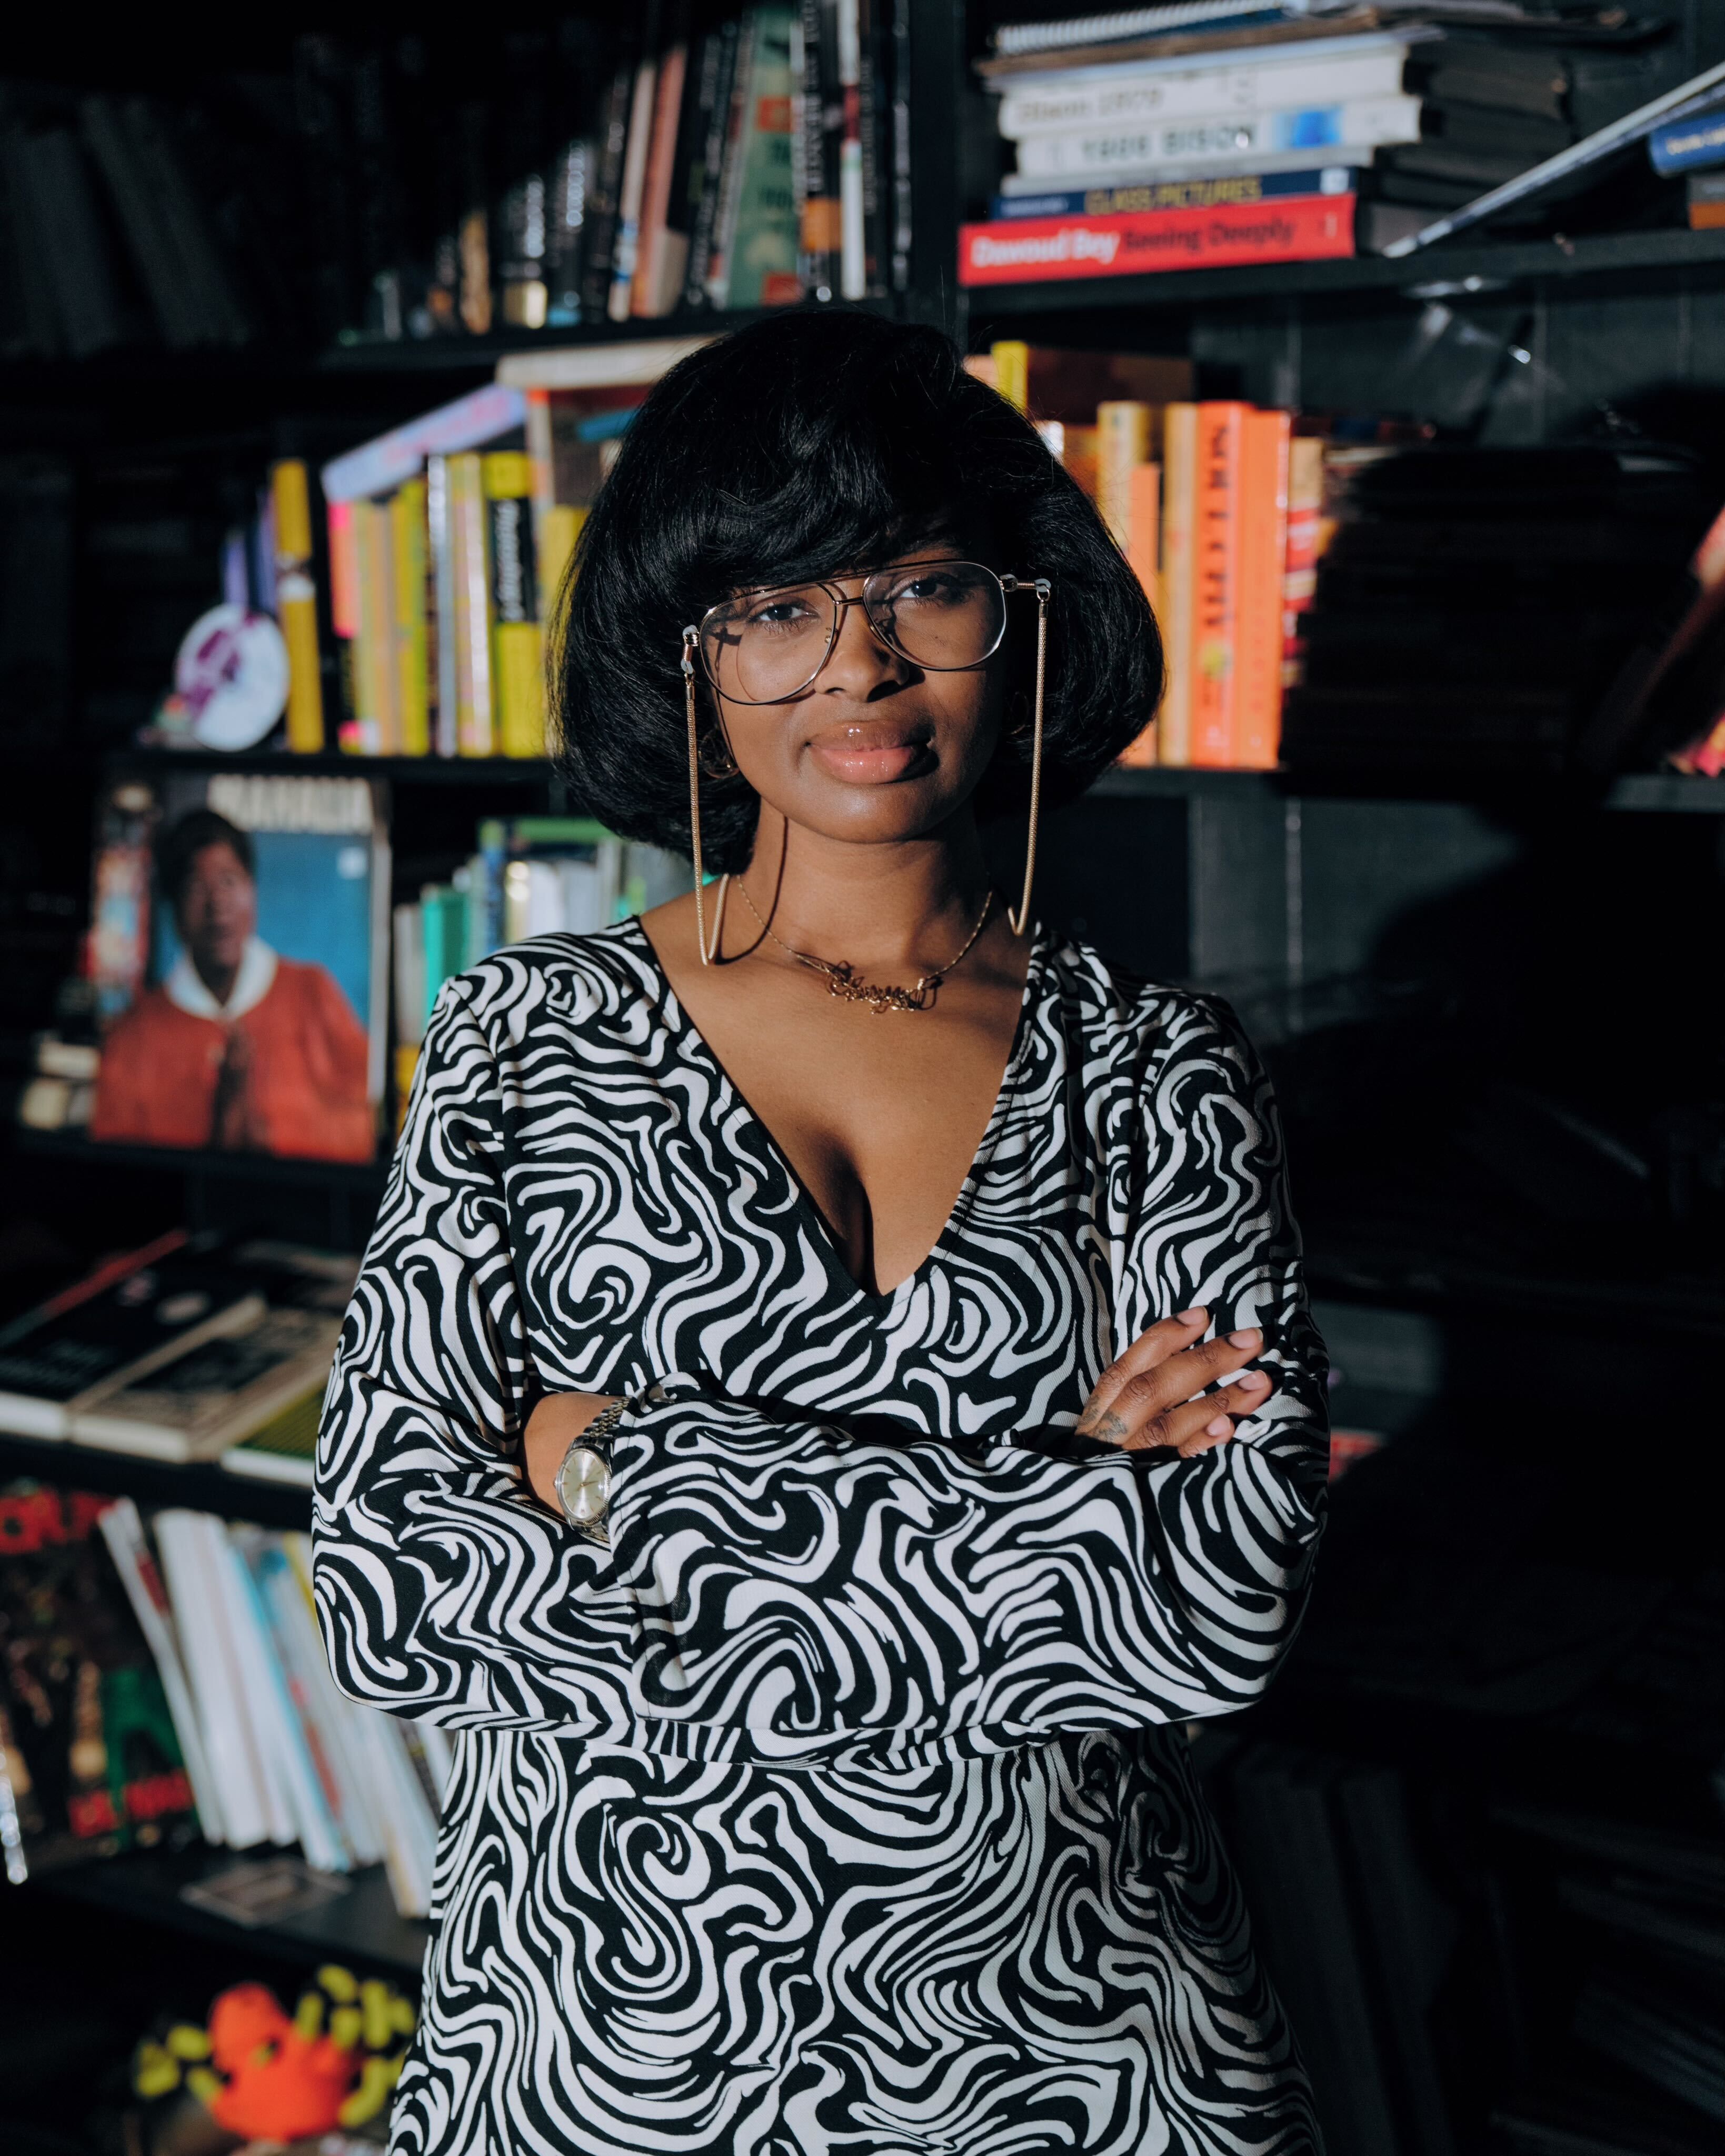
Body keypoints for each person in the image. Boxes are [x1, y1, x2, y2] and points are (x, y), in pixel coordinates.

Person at [315, 311, 1328, 2155]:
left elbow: (1206, 1608)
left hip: (1085, 2060)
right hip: (599, 2052)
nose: (856, 664)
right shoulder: (524, 1038)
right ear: (686, 661)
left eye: (924, 586)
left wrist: (612, 1460)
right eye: (775, 608)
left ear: (1016, 617)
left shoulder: (1160, 1069)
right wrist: (1050, 1492)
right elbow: (391, 1577)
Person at [91, 807, 374, 1162]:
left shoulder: (312, 993)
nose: (217, 905)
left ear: (252, 891)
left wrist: (263, 1127)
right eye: (196, 887)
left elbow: (372, 1123)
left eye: (229, 881)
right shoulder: (133, 1037)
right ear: (173, 910)